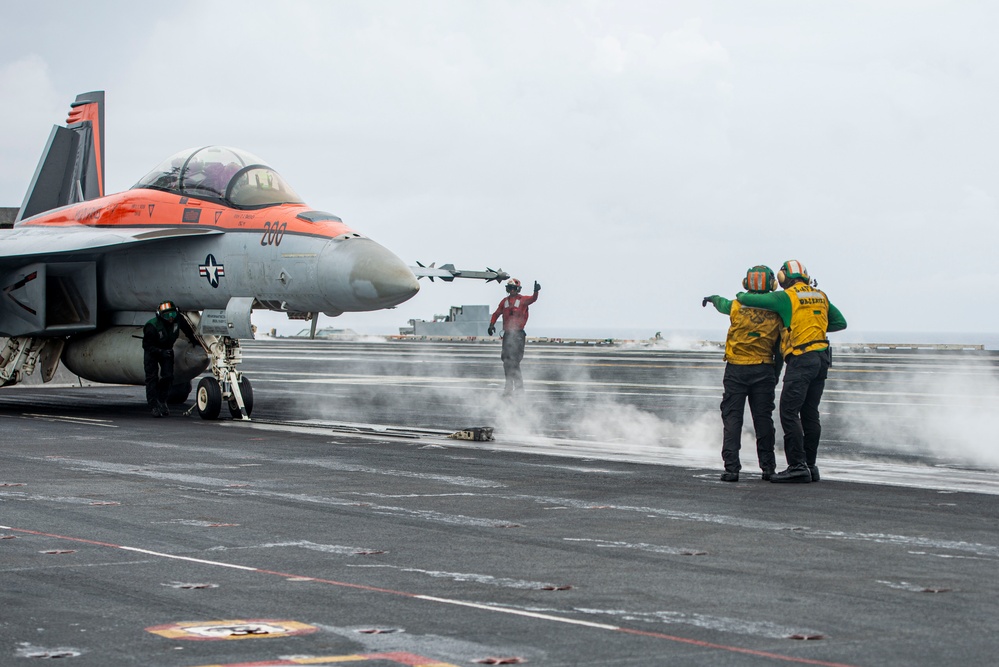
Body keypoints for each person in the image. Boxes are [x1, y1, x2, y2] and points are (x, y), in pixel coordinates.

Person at [736, 260, 847, 483]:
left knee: (788, 412)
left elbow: (746, 298)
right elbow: (840, 322)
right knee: (809, 413)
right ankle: (811, 466)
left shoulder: (787, 296)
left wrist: (741, 290)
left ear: (783, 277)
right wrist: (812, 323)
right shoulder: (820, 295)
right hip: (822, 358)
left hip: (801, 359)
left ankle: (797, 466)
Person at [703, 266, 784, 482]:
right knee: (763, 420)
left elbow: (722, 303)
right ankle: (768, 468)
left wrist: (712, 298)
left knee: (732, 419)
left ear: (746, 283)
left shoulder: (736, 305)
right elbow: (780, 348)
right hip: (763, 368)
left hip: (736, 369)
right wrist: (775, 374)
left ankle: (731, 469)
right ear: (772, 284)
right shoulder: (777, 309)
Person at [487, 278, 540, 396]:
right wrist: (491, 324)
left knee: (515, 361)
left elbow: (533, 299)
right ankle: (509, 387)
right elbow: (496, 313)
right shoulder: (504, 302)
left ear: (517, 289)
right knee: (506, 361)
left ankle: (519, 388)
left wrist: (536, 292)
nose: (511, 290)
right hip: (507, 335)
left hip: (518, 335)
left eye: (513, 288)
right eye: (509, 288)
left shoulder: (523, 300)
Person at [143, 300, 182, 417]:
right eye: (167, 315)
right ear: (160, 315)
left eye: (172, 315)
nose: (170, 318)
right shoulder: (152, 326)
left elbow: (187, 329)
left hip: (167, 350)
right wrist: (160, 352)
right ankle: (153, 406)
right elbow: (147, 346)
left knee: (168, 377)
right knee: (152, 379)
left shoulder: (177, 321)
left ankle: (162, 400)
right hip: (152, 352)